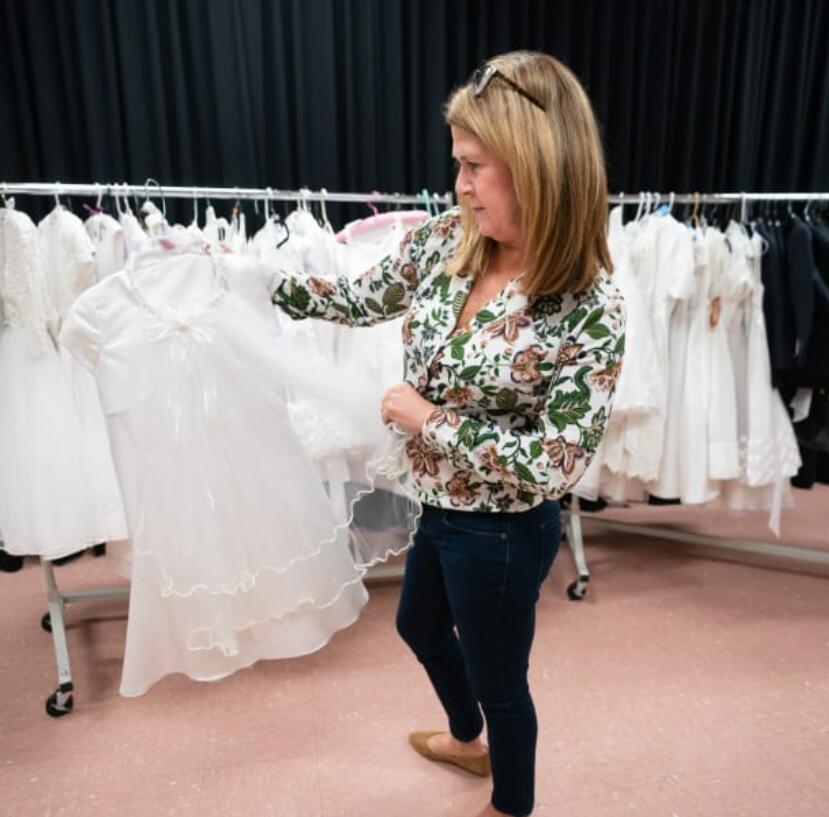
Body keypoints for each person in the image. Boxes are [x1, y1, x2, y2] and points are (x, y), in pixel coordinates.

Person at [251, 50, 624, 817]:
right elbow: (356, 299)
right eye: (457, 163)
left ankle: (511, 802)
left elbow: (554, 464)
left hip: (504, 533)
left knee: (503, 682)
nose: (459, 184)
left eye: (476, 166)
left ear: (539, 166)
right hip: (439, 504)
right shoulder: (442, 245)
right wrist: (246, 281)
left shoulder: (590, 304)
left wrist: (430, 420)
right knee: (415, 621)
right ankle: (467, 739)